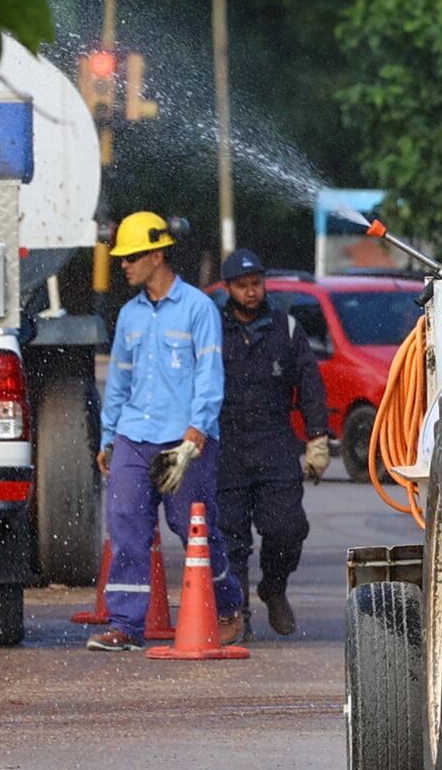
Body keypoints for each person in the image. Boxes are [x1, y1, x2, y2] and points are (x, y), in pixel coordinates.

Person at [89, 212, 244, 651]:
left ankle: (228, 605)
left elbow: (210, 373)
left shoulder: (198, 309)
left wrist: (199, 427)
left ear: (158, 255)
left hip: (185, 440)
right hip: (133, 436)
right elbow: (118, 381)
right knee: (126, 524)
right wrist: (108, 436)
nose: (124, 264)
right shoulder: (130, 316)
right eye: (121, 258)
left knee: (191, 525)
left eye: (132, 256)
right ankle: (125, 624)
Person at [215, 248, 329, 638]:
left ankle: (274, 588)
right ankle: (237, 612)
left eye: (256, 284)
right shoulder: (212, 327)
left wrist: (318, 438)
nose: (251, 292)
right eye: (243, 286)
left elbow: (311, 386)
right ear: (229, 287)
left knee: (287, 527)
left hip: (276, 443)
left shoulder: (287, 327)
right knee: (230, 537)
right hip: (227, 445)